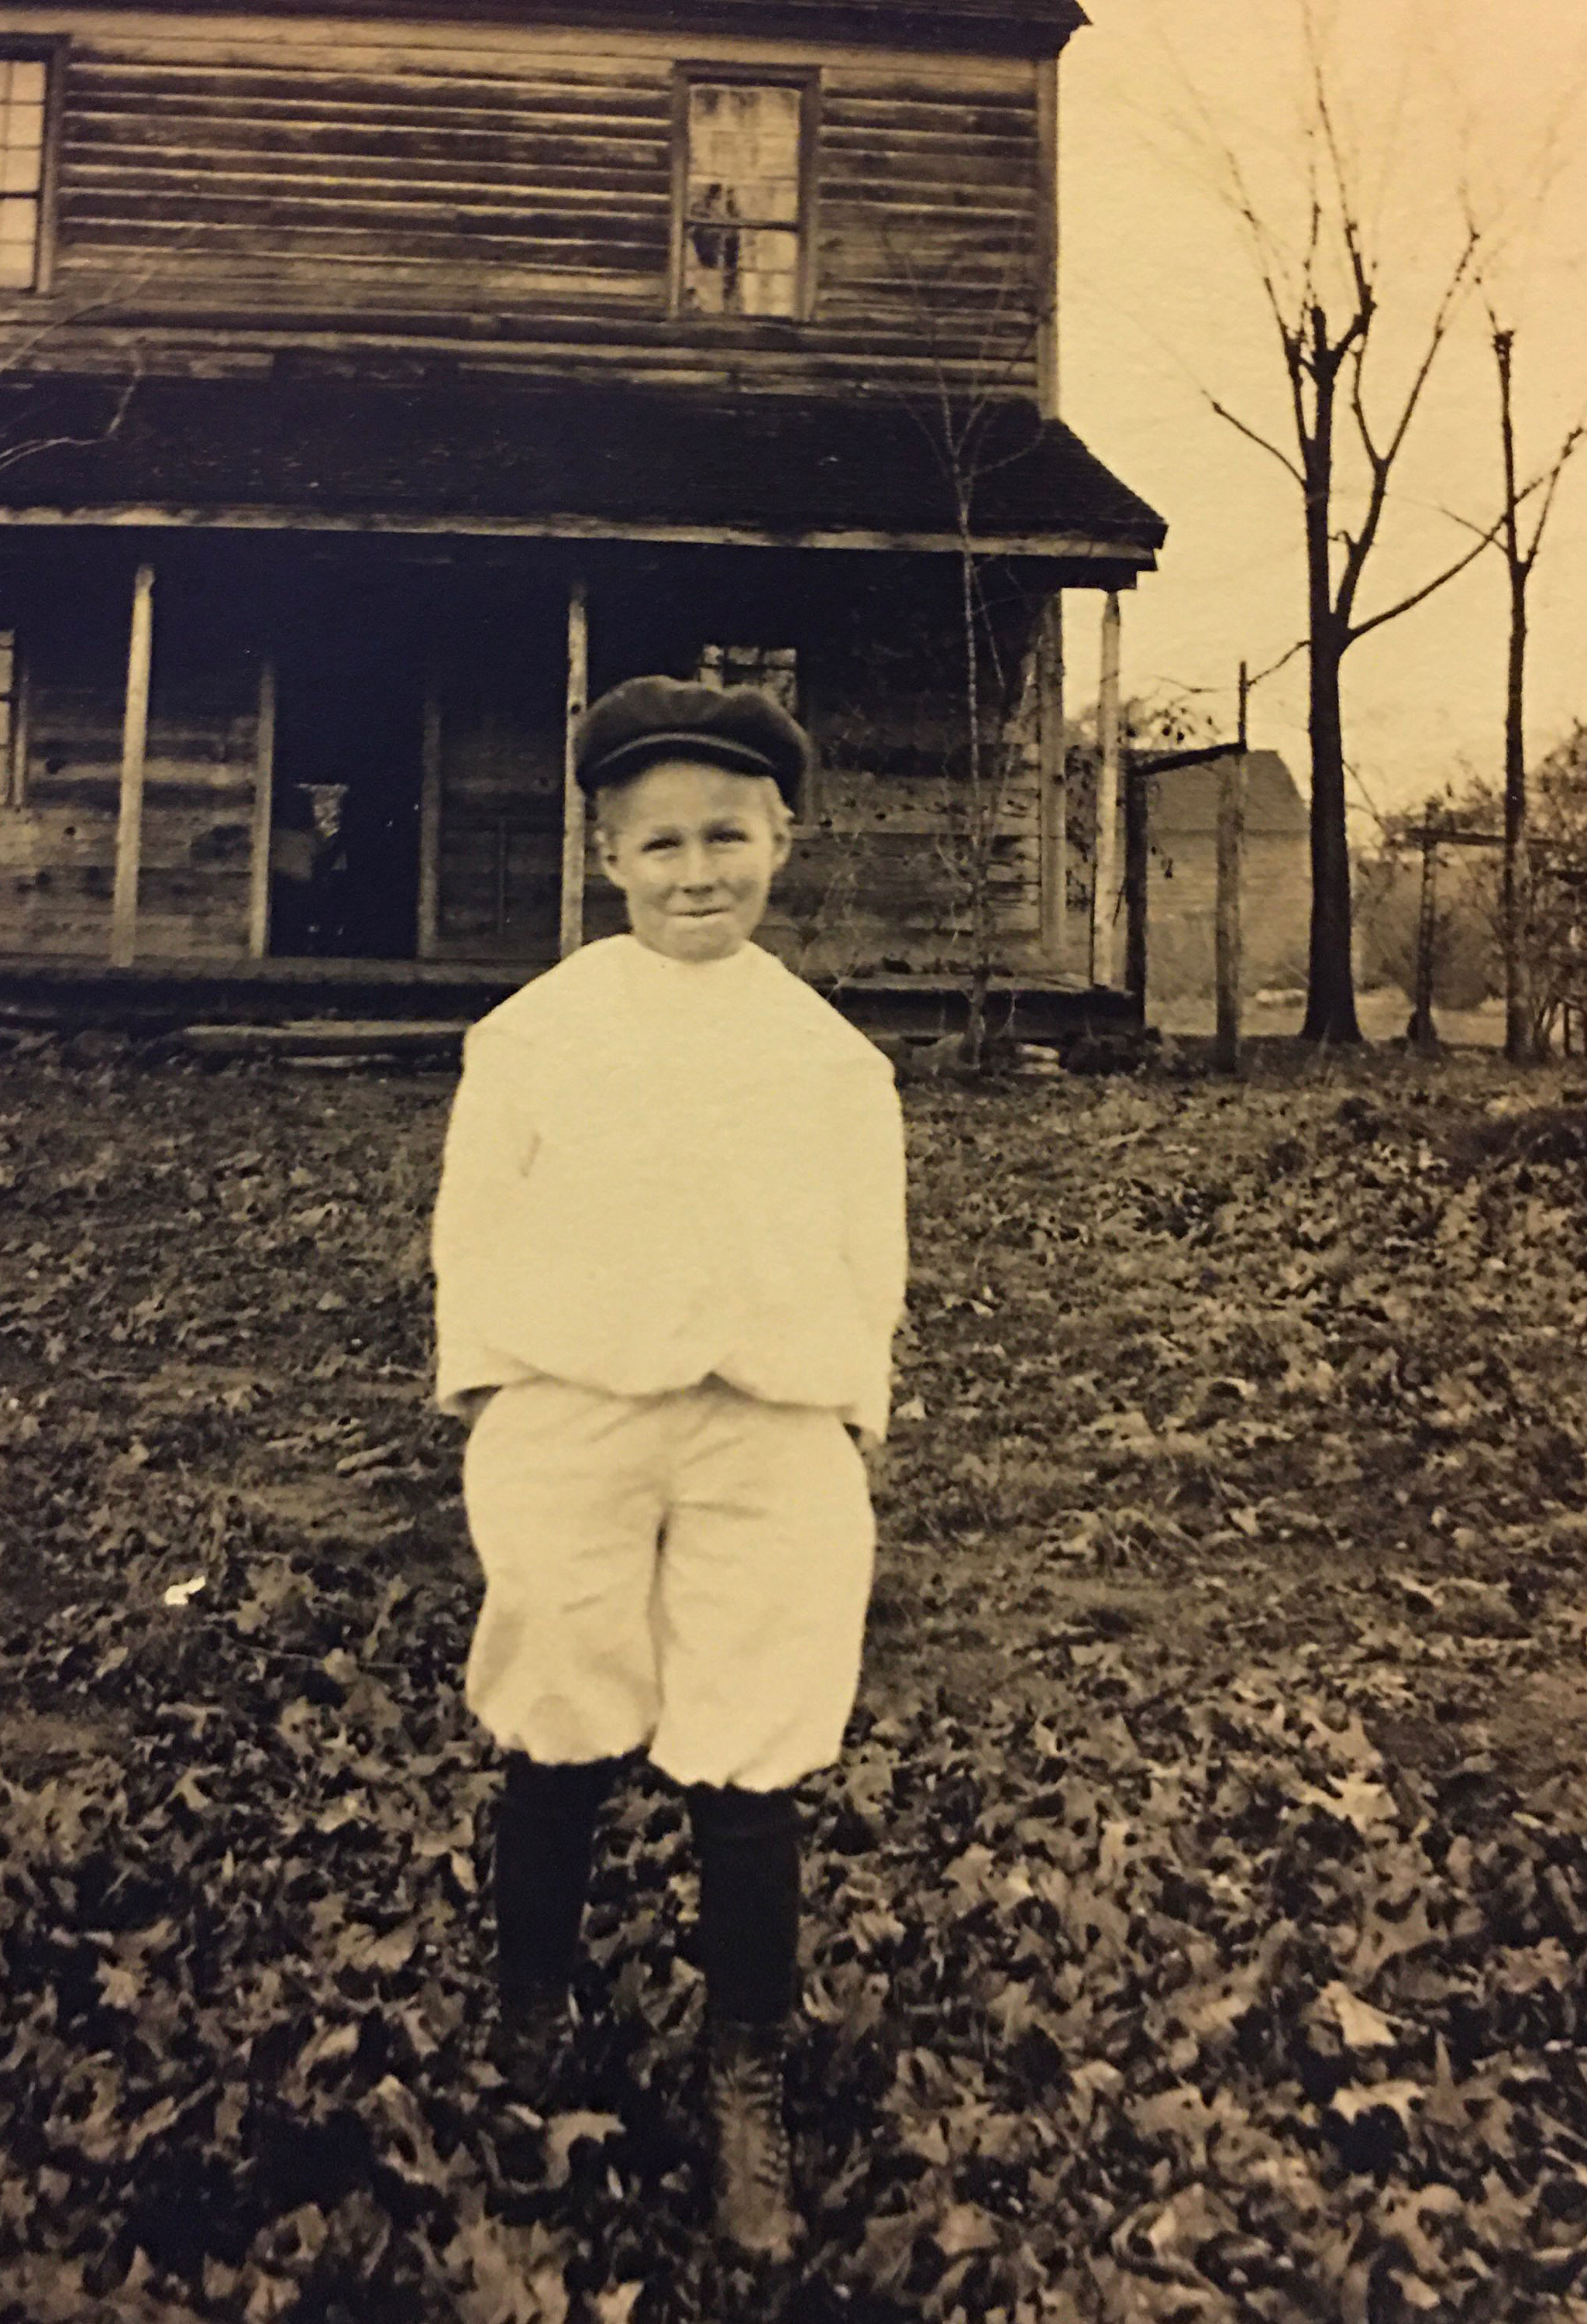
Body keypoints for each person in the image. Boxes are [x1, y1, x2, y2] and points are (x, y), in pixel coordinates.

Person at [430, 673, 907, 2263]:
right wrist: (499, 1390)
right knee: (560, 1703)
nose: (696, 872)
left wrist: (846, 1411)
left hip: (764, 1426)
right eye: (659, 844)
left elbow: (866, 1259)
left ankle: (743, 2073)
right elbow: (476, 1225)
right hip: (575, 1413)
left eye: (728, 837)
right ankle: (531, 2022)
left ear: (786, 840)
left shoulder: (831, 1061)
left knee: (751, 1744)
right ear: (606, 857)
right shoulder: (539, 1035)